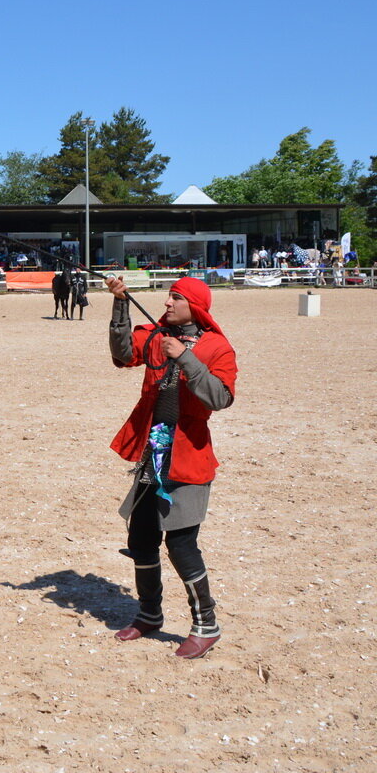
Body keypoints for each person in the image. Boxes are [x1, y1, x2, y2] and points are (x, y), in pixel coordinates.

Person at [106, 274, 237, 660]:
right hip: (154, 451)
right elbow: (121, 353)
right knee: (141, 538)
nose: (166, 303)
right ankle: (149, 614)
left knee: (181, 545)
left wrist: (185, 356)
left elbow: (220, 398)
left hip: (188, 456)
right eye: (167, 297)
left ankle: (206, 624)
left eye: (175, 298)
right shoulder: (157, 336)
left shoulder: (217, 347)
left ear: (193, 307)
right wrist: (120, 303)